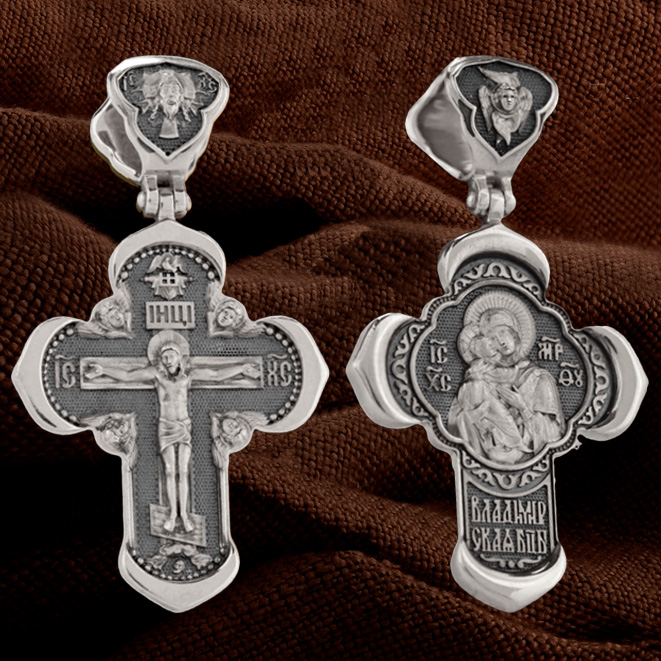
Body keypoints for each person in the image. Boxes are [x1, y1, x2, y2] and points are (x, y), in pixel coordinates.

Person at [85, 331, 260, 533]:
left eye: (171, 356)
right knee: (169, 470)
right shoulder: (157, 376)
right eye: (164, 357)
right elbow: (127, 376)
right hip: (166, 426)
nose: (168, 360)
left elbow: (216, 375)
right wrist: (103, 370)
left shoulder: (189, 376)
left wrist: (242, 368)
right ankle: (171, 514)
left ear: (179, 357)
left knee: (183, 471)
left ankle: (183, 515)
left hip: (183, 427)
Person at [449, 293, 565, 465]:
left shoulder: (538, 378)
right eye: (493, 338)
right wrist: (476, 416)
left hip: (526, 456)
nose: (500, 341)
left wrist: (522, 406)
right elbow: (456, 421)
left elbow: (553, 434)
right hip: (486, 452)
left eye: (503, 332)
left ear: (515, 333)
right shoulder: (481, 374)